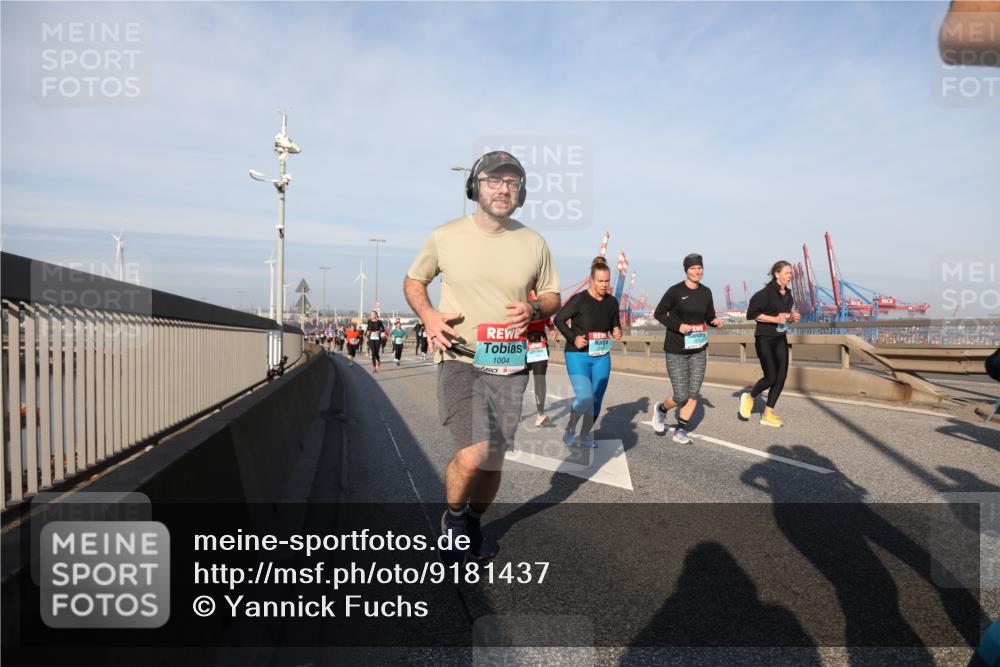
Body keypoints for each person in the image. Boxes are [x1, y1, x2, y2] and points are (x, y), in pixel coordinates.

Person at [404, 150, 560, 563]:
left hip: (510, 362)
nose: (503, 188)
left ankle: (472, 519)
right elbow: (415, 280)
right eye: (493, 180)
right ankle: (453, 520)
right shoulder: (445, 236)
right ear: (475, 187)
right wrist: (429, 315)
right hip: (460, 358)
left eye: (511, 182)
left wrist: (535, 309)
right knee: (473, 454)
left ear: (520, 192)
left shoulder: (533, 242)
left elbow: (552, 295)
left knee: (492, 460)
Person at [651, 254, 723, 445]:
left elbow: (709, 316)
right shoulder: (675, 291)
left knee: (693, 393)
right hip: (676, 349)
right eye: (693, 268)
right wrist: (678, 326)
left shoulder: (706, 292)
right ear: (686, 270)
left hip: (698, 349)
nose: (697, 271)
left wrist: (715, 322)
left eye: (700, 268)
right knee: (681, 395)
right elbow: (658, 313)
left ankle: (680, 430)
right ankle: (661, 410)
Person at [554, 256, 622, 448]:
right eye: (600, 281)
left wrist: (617, 331)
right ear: (591, 280)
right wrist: (573, 337)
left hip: (601, 356)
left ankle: (585, 435)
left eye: (607, 281)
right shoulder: (579, 299)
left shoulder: (612, 302)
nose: (604, 285)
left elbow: (614, 325)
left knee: (597, 398)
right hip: (577, 354)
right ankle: (571, 426)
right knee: (585, 396)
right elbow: (558, 319)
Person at [740, 261, 799, 427]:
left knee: (781, 377)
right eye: (787, 273)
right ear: (776, 274)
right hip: (764, 338)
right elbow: (752, 314)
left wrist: (791, 318)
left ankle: (767, 415)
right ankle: (749, 397)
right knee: (771, 377)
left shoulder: (788, 296)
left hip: (780, 337)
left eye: (791, 273)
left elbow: (784, 317)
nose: (790, 276)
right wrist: (775, 319)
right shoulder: (764, 294)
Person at [525, 293, 555, 427]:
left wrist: (552, 329)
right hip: (522, 344)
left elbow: (548, 319)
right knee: (520, 381)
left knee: (540, 379)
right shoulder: (519, 295)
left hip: (539, 344)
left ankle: (540, 414)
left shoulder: (543, 298)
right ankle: (515, 409)